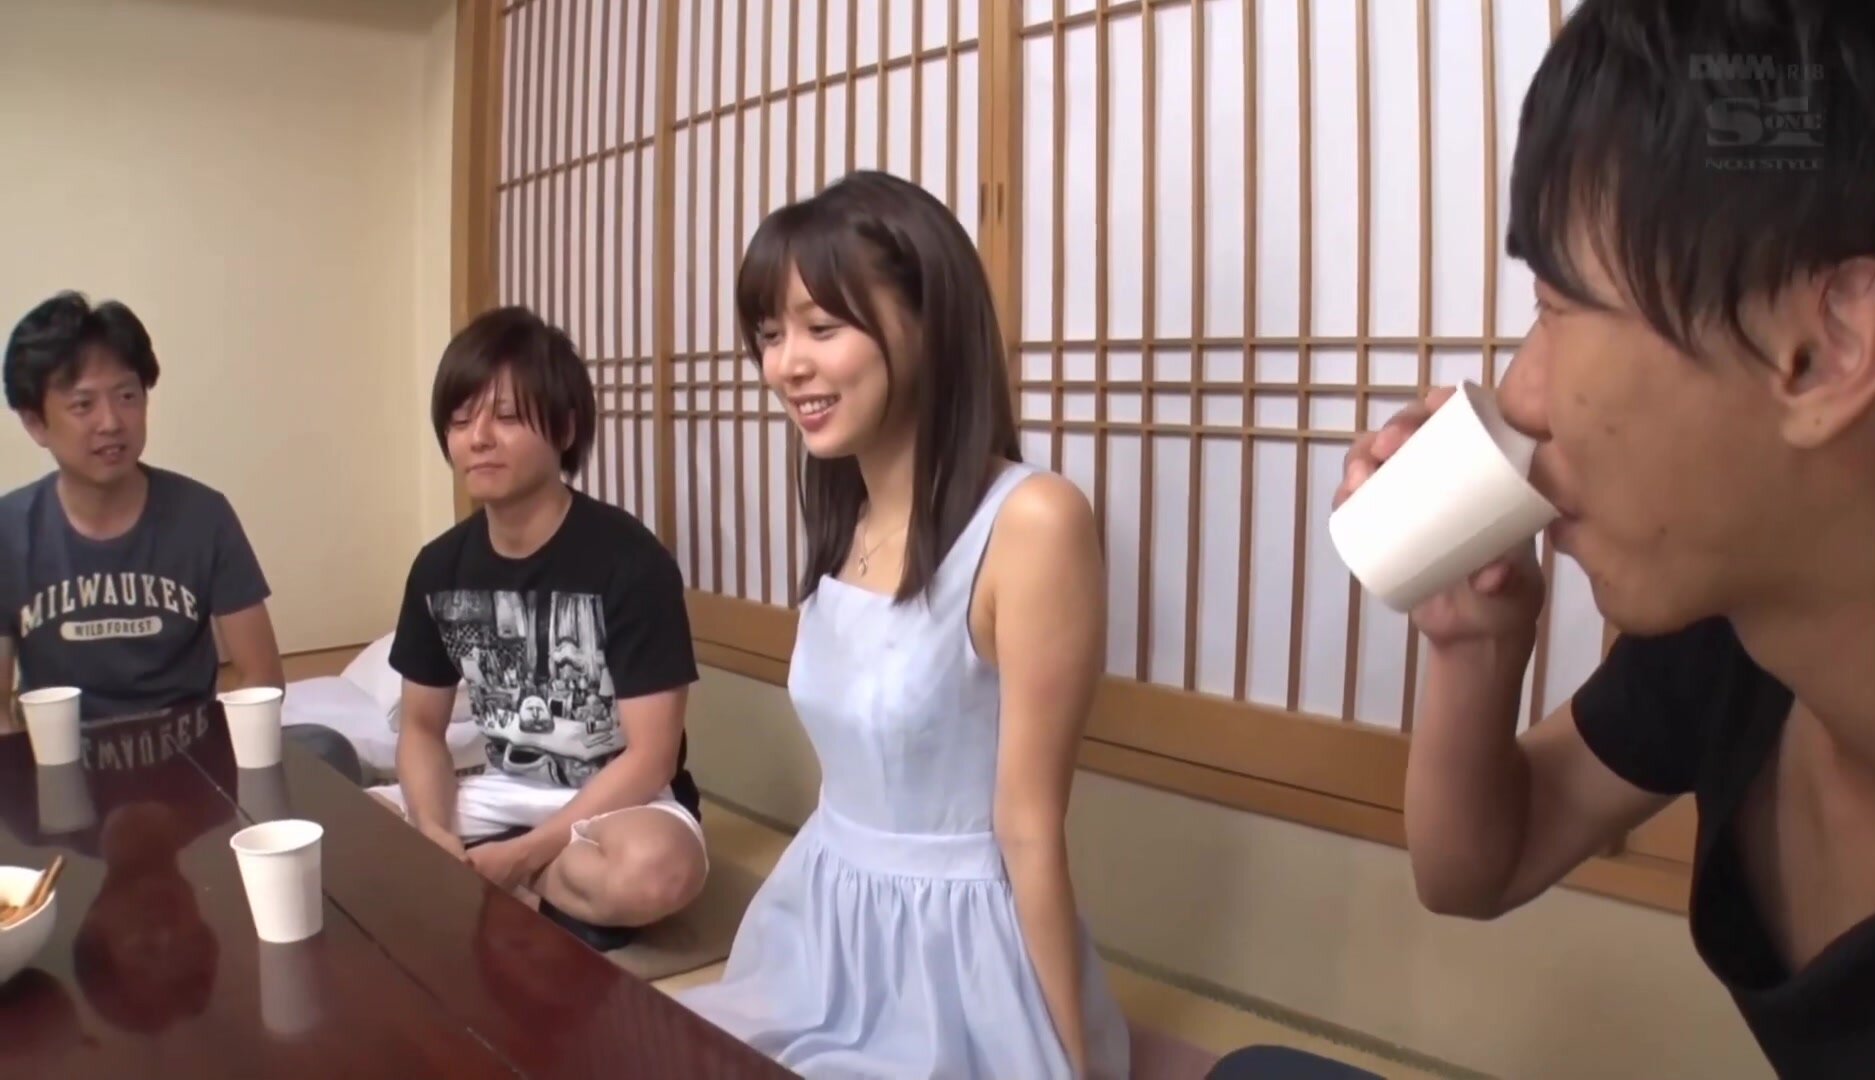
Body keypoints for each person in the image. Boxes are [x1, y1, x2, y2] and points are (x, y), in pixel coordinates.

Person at [1325, 2, 1875, 1076]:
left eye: (1558, 306)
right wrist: (1475, 645)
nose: (1519, 393)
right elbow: (1477, 870)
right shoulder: (1741, 636)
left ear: (1827, 349)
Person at [675, 170, 1131, 1079]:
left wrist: (1070, 1061)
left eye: (821, 327)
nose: (784, 365)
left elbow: (1029, 828)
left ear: (929, 321)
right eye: (769, 335)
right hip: (822, 926)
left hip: (957, 964)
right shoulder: (844, 518)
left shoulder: (1033, 521)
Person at [374, 305, 707, 952]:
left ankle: (512, 880)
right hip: (500, 792)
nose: (478, 438)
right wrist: (433, 831)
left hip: (617, 804)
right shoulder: (439, 567)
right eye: (461, 420)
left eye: (504, 416)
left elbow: (651, 757)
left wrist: (523, 854)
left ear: (564, 427)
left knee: (658, 872)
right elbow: (420, 728)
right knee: (340, 828)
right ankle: (533, 891)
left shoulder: (630, 562)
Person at [0, 292, 362, 783]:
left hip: (192, 769)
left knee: (327, 750)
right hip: (62, 772)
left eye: (127, 396)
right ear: (35, 422)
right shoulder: (9, 532)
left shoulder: (203, 516)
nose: (111, 422)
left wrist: (221, 772)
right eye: (83, 404)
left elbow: (261, 676)